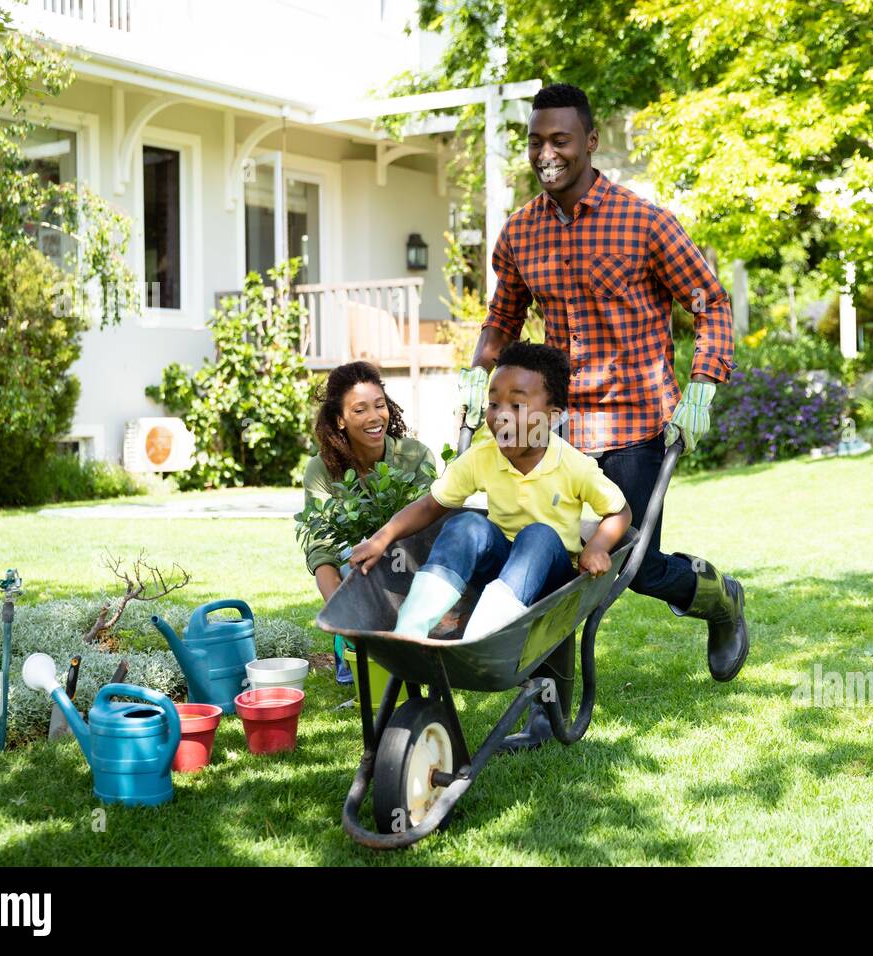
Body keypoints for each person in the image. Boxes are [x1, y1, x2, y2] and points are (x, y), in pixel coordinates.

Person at [456, 82, 750, 692]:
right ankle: (548, 701)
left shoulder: (645, 223)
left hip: (639, 423)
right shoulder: (518, 235)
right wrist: (474, 371)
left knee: (631, 566)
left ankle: (720, 600)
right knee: (554, 561)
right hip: (558, 429)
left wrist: (701, 387)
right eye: (535, 141)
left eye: (559, 139)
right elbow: (503, 319)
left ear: (591, 141)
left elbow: (711, 304)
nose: (546, 154)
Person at [348, 342, 632, 715]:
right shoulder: (483, 458)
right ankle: (412, 626)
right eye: (494, 404)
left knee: (539, 534)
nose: (501, 416)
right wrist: (382, 537)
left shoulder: (573, 465)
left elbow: (619, 512)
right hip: (502, 572)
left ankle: (484, 636)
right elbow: (432, 505)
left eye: (517, 405)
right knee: (466, 522)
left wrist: (597, 545)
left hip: (553, 576)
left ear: (553, 416)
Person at [303, 361, 436, 682]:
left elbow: (430, 530)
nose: (375, 417)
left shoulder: (416, 457)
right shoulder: (321, 469)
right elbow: (321, 547)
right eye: (360, 410)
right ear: (339, 420)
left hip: (411, 567)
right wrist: (341, 614)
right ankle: (348, 648)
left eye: (380, 405)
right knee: (352, 554)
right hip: (355, 575)